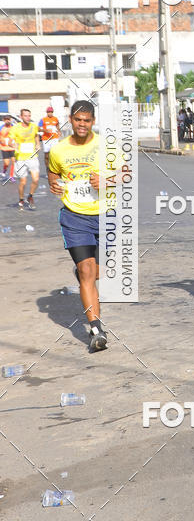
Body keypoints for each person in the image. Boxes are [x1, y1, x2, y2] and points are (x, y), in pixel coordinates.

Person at [47, 100, 108, 353]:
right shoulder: (58, 150)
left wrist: (108, 180)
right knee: (86, 271)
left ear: (93, 121)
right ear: (71, 120)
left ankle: (85, 276)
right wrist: (54, 184)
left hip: (106, 215)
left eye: (87, 120)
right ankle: (96, 330)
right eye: (78, 119)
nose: (82, 124)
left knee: (97, 273)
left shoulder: (107, 145)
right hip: (74, 217)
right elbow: (53, 173)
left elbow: (127, 174)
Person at [12, 108, 41, 210]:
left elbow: (36, 136)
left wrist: (38, 144)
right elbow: (11, 140)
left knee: (36, 179)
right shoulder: (15, 128)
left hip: (32, 157)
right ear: (21, 117)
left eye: (29, 116)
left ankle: (30, 196)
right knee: (23, 182)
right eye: (25, 116)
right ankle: (21, 199)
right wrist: (13, 145)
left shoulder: (33, 126)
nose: (28, 118)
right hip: (20, 158)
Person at [38, 105, 61, 174]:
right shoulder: (43, 119)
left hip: (54, 138)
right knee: (47, 155)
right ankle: (47, 170)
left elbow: (57, 125)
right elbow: (38, 128)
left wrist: (59, 131)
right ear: (46, 112)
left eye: (51, 112)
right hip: (46, 139)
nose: (50, 113)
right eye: (48, 112)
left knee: (55, 153)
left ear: (53, 112)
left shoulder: (55, 119)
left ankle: (55, 169)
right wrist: (45, 130)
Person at [0, 116, 16, 182]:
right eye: (6, 119)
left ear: (10, 120)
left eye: (8, 119)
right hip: (4, 148)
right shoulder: (1, 128)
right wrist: (1, 140)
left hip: (12, 147)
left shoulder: (14, 127)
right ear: (3, 120)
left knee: (13, 162)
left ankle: (11, 176)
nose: (7, 121)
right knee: (6, 163)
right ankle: (4, 170)